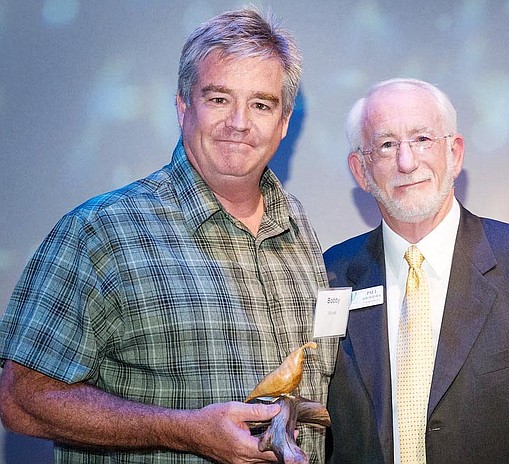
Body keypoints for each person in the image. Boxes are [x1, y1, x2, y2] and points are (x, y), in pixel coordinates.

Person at [0, 8, 336, 464]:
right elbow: (21, 399)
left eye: (261, 104)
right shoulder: (102, 231)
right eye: (219, 99)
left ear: (283, 122)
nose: (239, 122)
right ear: (183, 106)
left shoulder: (300, 233)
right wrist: (183, 431)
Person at [323, 78, 509, 463]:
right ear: (361, 171)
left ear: (455, 153)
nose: (406, 161)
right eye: (386, 145)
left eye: (422, 139)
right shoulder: (331, 275)